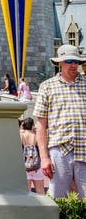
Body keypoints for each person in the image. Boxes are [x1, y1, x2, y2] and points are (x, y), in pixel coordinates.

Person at [35, 43, 86, 199]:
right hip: (59, 150)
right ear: (60, 62)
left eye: (76, 61)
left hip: (84, 148)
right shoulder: (47, 87)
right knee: (58, 200)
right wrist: (44, 158)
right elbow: (41, 126)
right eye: (69, 61)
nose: (73, 65)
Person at [20, 117, 46, 195]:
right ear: (32, 125)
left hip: (24, 167)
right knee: (40, 191)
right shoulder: (36, 134)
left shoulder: (21, 134)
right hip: (36, 167)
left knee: (26, 193)